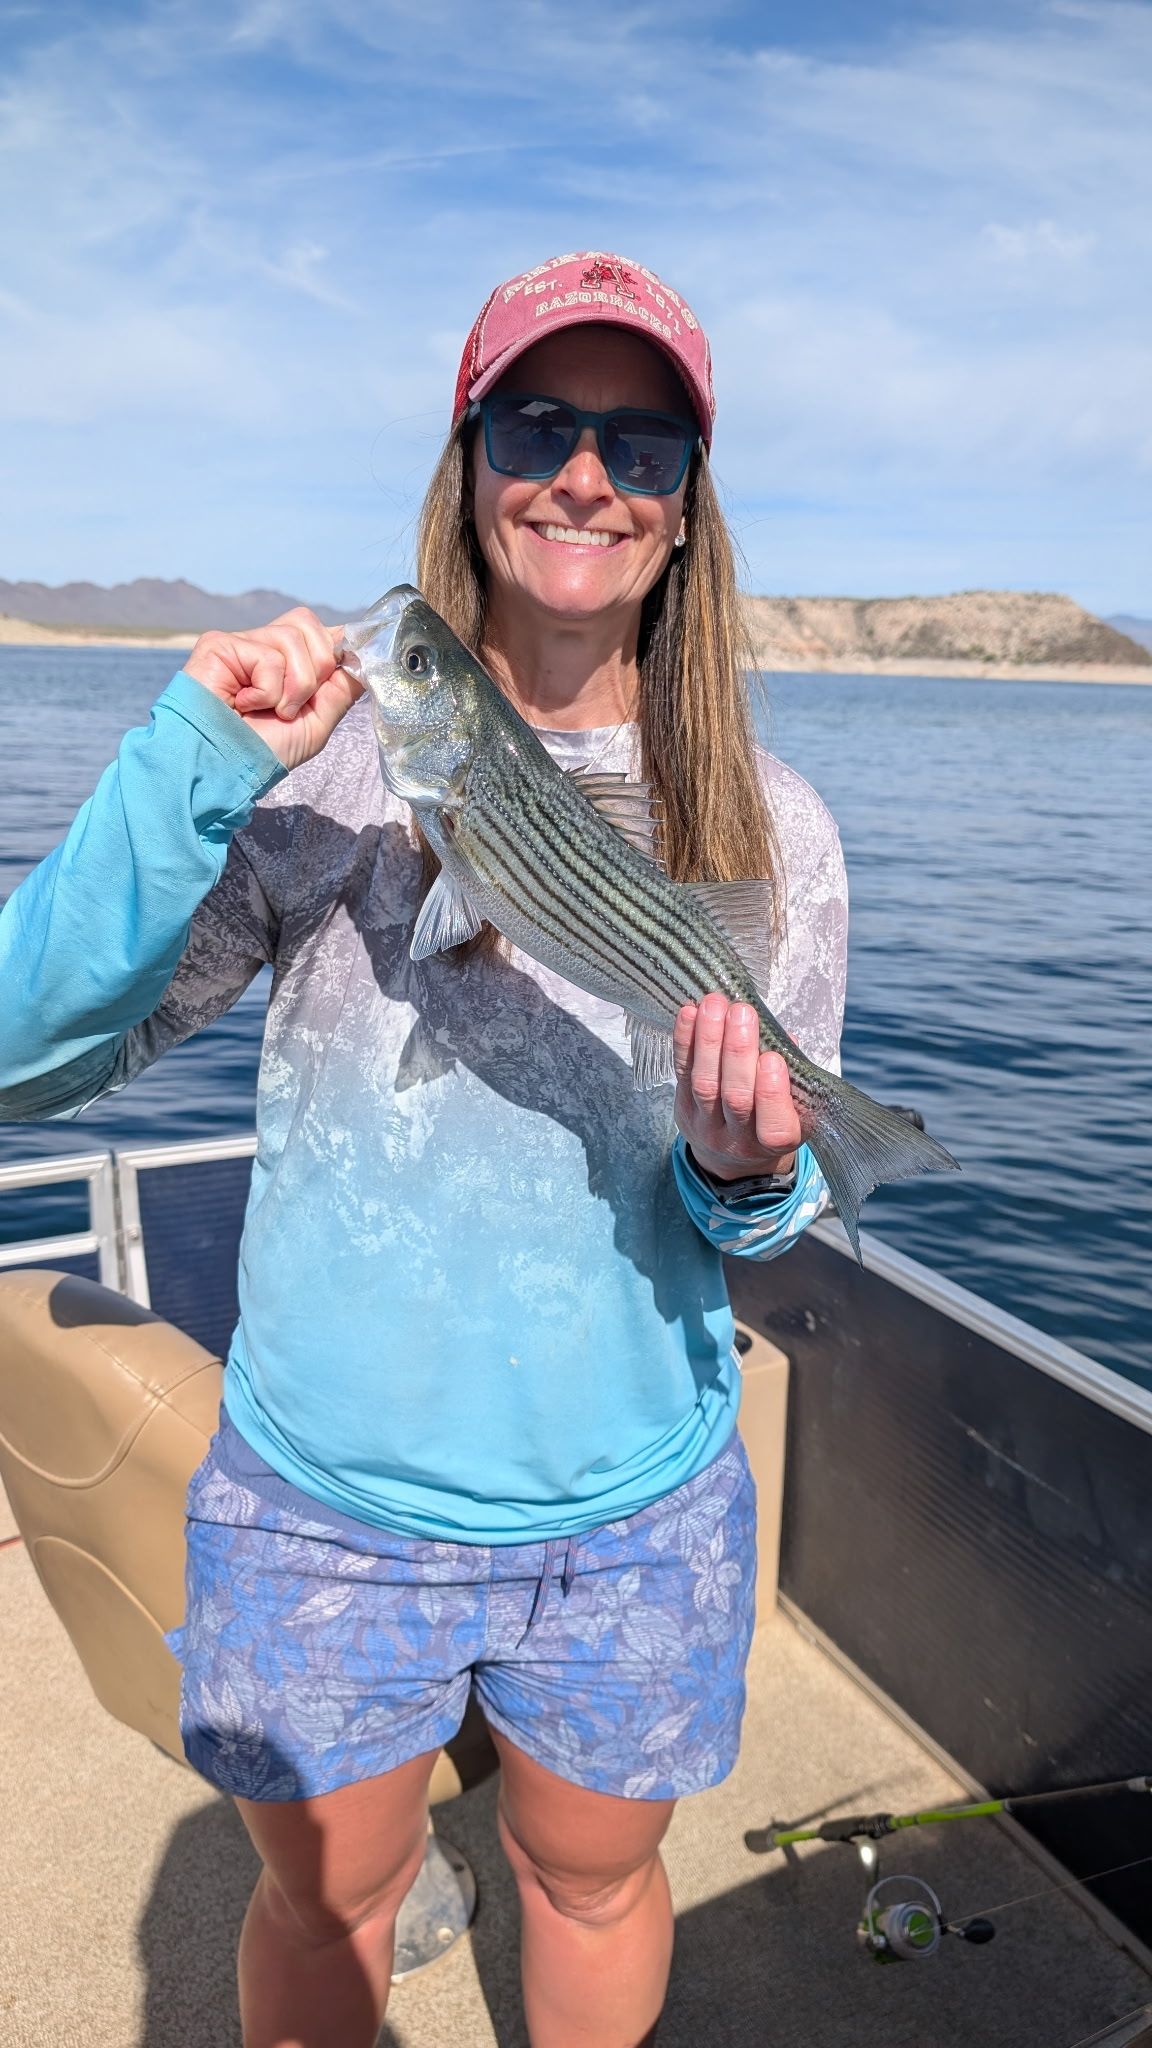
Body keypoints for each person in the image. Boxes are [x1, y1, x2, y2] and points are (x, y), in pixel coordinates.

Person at [0, 250, 846, 2048]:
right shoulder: (320, 769)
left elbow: (768, 1215)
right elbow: (24, 1065)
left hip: (633, 1508)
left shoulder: (775, 833)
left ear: (689, 508)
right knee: (326, 1902)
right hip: (324, 1498)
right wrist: (191, 760)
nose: (585, 476)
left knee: (597, 1881)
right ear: (469, 460)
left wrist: (751, 1167)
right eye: (539, 422)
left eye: (644, 443)